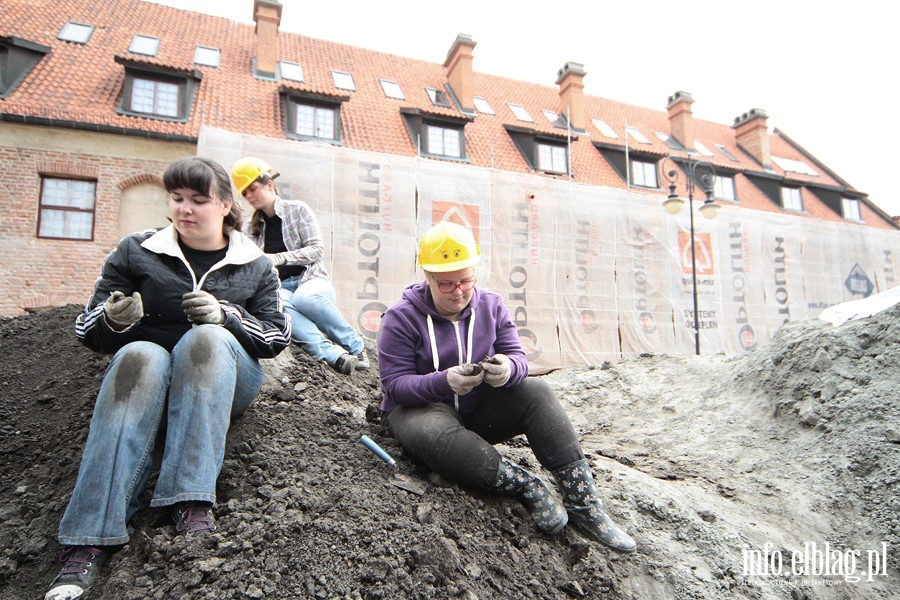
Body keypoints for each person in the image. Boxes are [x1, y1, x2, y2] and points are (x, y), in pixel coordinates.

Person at [44, 157, 291, 600]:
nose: (185, 209)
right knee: (138, 353)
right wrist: (114, 320)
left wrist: (227, 316)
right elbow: (87, 329)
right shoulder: (136, 250)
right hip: (151, 378)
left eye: (199, 200)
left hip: (227, 376)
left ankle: (190, 500)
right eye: (176, 199)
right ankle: (88, 538)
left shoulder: (254, 264)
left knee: (207, 340)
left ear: (225, 206)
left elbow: (276, 337)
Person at [376, 221, 636, 553]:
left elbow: (517, 355)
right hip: (422, 411)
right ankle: (526, 487)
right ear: (428, 277)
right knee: (435, 433)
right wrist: (444, 381)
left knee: (537, 393)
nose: (458, 291)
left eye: (466, 280)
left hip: (478, 410)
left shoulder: (491, 306)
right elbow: (396, 386)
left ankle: (584, 505)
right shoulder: (401, 318)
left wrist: (509, 369)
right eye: (447, 284)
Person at [231, 156, 367, 375]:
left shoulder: (297, 210)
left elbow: (316, 250)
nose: (249, 196)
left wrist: (278, 258)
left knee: (305, 298)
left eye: (252, 189)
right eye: (244, 193)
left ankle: (356, 347)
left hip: (312, 281)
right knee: (280, 309)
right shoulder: (251, 228)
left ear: (269, 184)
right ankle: (336, 356)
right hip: (281, 288)